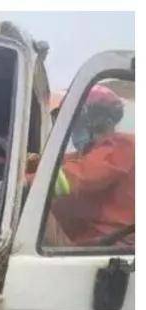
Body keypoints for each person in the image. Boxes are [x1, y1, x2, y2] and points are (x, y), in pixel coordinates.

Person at [46, 84, 134, 247]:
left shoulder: (123, 146)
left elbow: (75, 176)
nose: (73, 127)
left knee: (27, 206)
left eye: (77, 119)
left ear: (99, 121)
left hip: (106, 248)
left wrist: (24, 184)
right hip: (86, 245)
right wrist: (26, 165)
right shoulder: (89, 154)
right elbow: (55, 164)